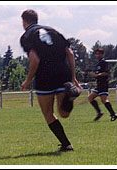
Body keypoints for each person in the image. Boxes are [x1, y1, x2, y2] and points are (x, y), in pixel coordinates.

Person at [20, 9, 81, 152]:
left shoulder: (27, 36)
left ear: (24, 21)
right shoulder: (53, 31)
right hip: (63, 73)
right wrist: (73, 77)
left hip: (45, 75)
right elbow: (70, 53)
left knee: (48, 113)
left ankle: (66, 144)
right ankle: (69, 97)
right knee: (63, 113)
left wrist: (28, 80)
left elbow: (35, 59)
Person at [88, 48, 117, 121]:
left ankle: (113, 114)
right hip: (99, 84)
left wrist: (97, 75)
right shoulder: (98, 63)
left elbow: (107, 72)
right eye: (96, 54)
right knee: (90, 98)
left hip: (103, 84)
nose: (97, 55)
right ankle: (99, 112)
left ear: (102, 54)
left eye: (99, 54)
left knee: (104, 100)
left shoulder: (103, 62)